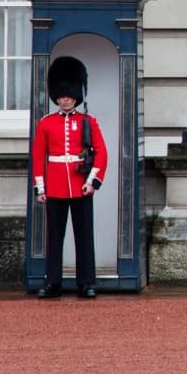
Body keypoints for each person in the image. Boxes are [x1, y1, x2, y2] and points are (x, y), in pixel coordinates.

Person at [31, 56, 108, 299]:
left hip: (80, 186)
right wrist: (40, 187)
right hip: (54, 187)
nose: (65, 99)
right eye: (62, 95)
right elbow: (38, 156)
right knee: (55, 238)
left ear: (76, 94)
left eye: (69, 94)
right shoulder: (46, 124)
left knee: (84, 237)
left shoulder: (88, 121)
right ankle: (53, 282)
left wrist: (92, 182)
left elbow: (101, 152)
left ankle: (86, 282)